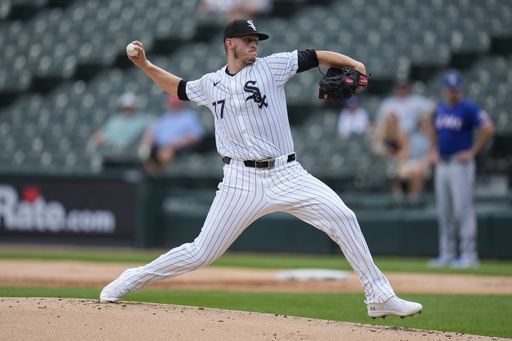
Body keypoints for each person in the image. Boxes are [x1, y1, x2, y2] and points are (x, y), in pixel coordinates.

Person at [100, 19, 423, 319]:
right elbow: (179, 88)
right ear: (230, 44)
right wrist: (144, 64)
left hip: (287, 173)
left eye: (256, 39)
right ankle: (132, 279)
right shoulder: (211, 83)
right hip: (240, 180)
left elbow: (316, 56)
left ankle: (379, 296)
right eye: (248, 39)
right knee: (201, 252)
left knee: (344, 217)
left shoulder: (273, 66)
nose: (255, 44)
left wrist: (353, 64)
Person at [429, 70, 495, 268]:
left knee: (462, 210)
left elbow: (488, 128)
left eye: (455, 89)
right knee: (444, 211)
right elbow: (433, 129)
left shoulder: (468, 107)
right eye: (449, 89)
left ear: (460, 89)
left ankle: (469, 254)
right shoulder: (440, 108)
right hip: (443, 164)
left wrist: (472, 151)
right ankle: (447, 253)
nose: (452, 92)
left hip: (461, 165)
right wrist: (433, 150)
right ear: (443, 89)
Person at [142, 94, 205, 175]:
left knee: (165, 154)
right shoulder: (165, 117)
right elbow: (151, 132)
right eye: (173, 104)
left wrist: (176, 143)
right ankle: (152, 180)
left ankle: (166, 178)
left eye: (177, 104)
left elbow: (197, 136)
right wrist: (149, 138)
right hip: (158, 147)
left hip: (179, 149)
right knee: (145, 153)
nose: (175, 106)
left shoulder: (190, 116)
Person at [371, 112, 410, 199]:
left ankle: (398, 198)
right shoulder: (382, 134)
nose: (391, 124)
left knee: (397, 173)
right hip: (384, 162)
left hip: (398, 162)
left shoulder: (401, 134)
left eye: (393, 122)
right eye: (389, 121)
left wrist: (394, 157)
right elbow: (375, 150)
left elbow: (405, 151)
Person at [395, 113, 433, 201]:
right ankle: (398, 201)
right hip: (411, 162)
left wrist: (425, 162)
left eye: (428, 122)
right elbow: (407, 151)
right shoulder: (414, 136)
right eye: (424, 122)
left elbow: (432, 153)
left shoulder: (433, 137)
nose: (426, 124)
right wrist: (400, 158)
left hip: (425, 165)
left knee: (417, 172)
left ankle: (413, 201)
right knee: (397, 172)